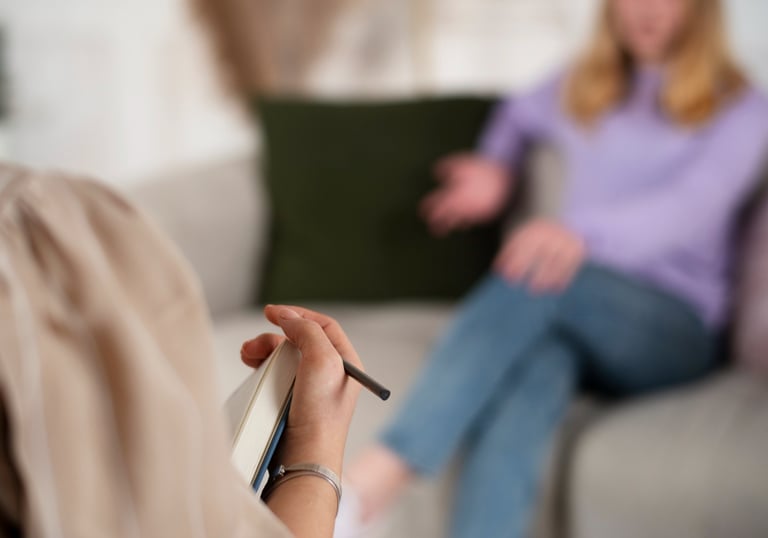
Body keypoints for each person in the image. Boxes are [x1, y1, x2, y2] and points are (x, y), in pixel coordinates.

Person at [336, 0, 768, 537]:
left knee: (536, 271)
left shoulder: (743, 107)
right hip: (578, 324)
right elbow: (516, 114)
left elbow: (692, 205)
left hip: (674, 329)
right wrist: (497, 166)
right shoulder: (584, 86)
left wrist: (578, 235)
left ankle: (371, 483)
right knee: (536, 369)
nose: (646, 9)